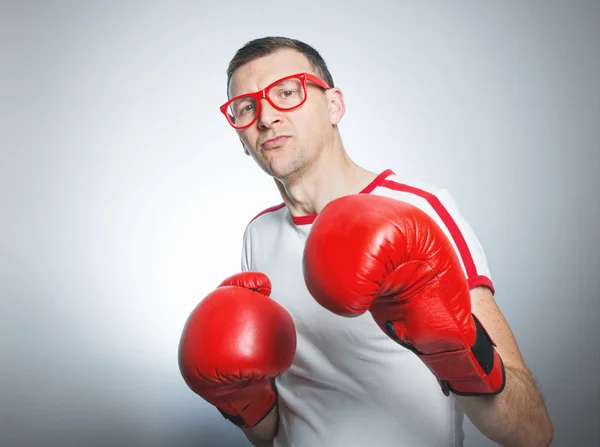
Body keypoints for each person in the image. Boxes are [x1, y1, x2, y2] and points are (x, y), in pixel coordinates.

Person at [178, 37, 554, 447]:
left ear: (334, 105)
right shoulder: (258, 235)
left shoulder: (417, 208)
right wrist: (241, 399)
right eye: (247, 107)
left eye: (287, 92)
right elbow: (272, 434)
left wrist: (453, 345)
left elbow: (531, 432)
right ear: (241, 139)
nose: (267, 117)